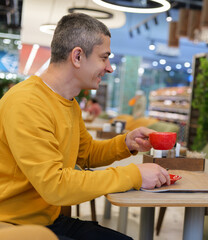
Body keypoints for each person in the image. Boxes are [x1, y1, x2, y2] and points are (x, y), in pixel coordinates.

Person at [0, 13, 170, 240]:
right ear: (78, 56)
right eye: (104, 57)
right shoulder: (26, 102)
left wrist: (126, 142)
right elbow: (56, 185)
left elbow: (86, 154)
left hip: (48, 220)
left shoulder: (68, 102)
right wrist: (134, 175)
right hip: (14, 226)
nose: (109, 68)